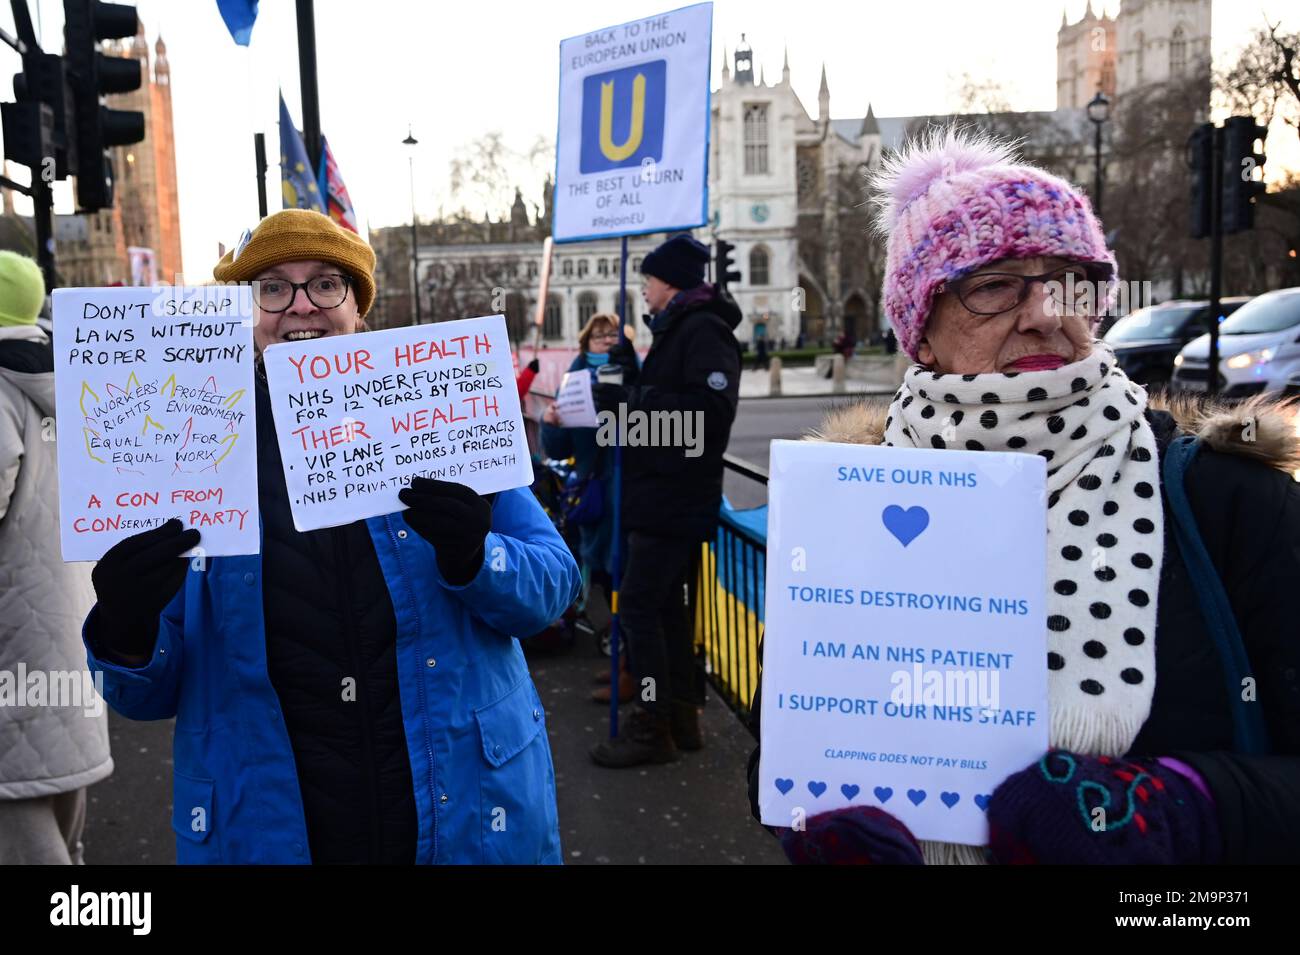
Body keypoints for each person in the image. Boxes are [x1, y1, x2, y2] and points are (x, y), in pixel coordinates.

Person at [747, 129, 1300, 864]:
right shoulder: (848, 504)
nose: (1045, 311)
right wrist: (813, 816)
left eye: (1070, 279)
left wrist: (1187, 809)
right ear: (922, 332)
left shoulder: (1227, 499)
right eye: (994, 284)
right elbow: (784, 740)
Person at [83, 209, 581, 864]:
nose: (299, 307)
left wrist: (476, 555)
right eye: (272, 288)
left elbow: (553, 586)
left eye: (324, 284)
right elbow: (147, 693)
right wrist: (127, 628)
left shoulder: (436, 414)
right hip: (270, 828)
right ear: (248, 310)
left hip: (458, 815)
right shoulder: (187, 446)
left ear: (359, 308)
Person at [588, 233, 742, 768]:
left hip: (672, 500)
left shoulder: (702, 330)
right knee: (667, 613)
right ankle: (681, 715)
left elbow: (707, 416)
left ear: (670, 282)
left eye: (650, 280)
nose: (645, 289)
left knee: (637, 606)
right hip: (662, 497)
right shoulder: (680, 328)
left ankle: (653, 723)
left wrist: (633, 399)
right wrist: (632, 377)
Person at [0, 252, 112, 863]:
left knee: (22, 830)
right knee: (54, 806)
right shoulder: (64, 380)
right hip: (63, 636)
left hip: (11, 642)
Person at [541, 313, 638, 704]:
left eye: (612, 334)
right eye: (598, 335)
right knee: (600, 572)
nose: (604, 340)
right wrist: (552, 423)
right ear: (585, 341)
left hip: (625, 492)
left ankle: (631, 667)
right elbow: (559, 447)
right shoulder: (575, 377)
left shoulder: (631, 372)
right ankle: (620, 656)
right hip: (592, 493)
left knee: (627, 579)